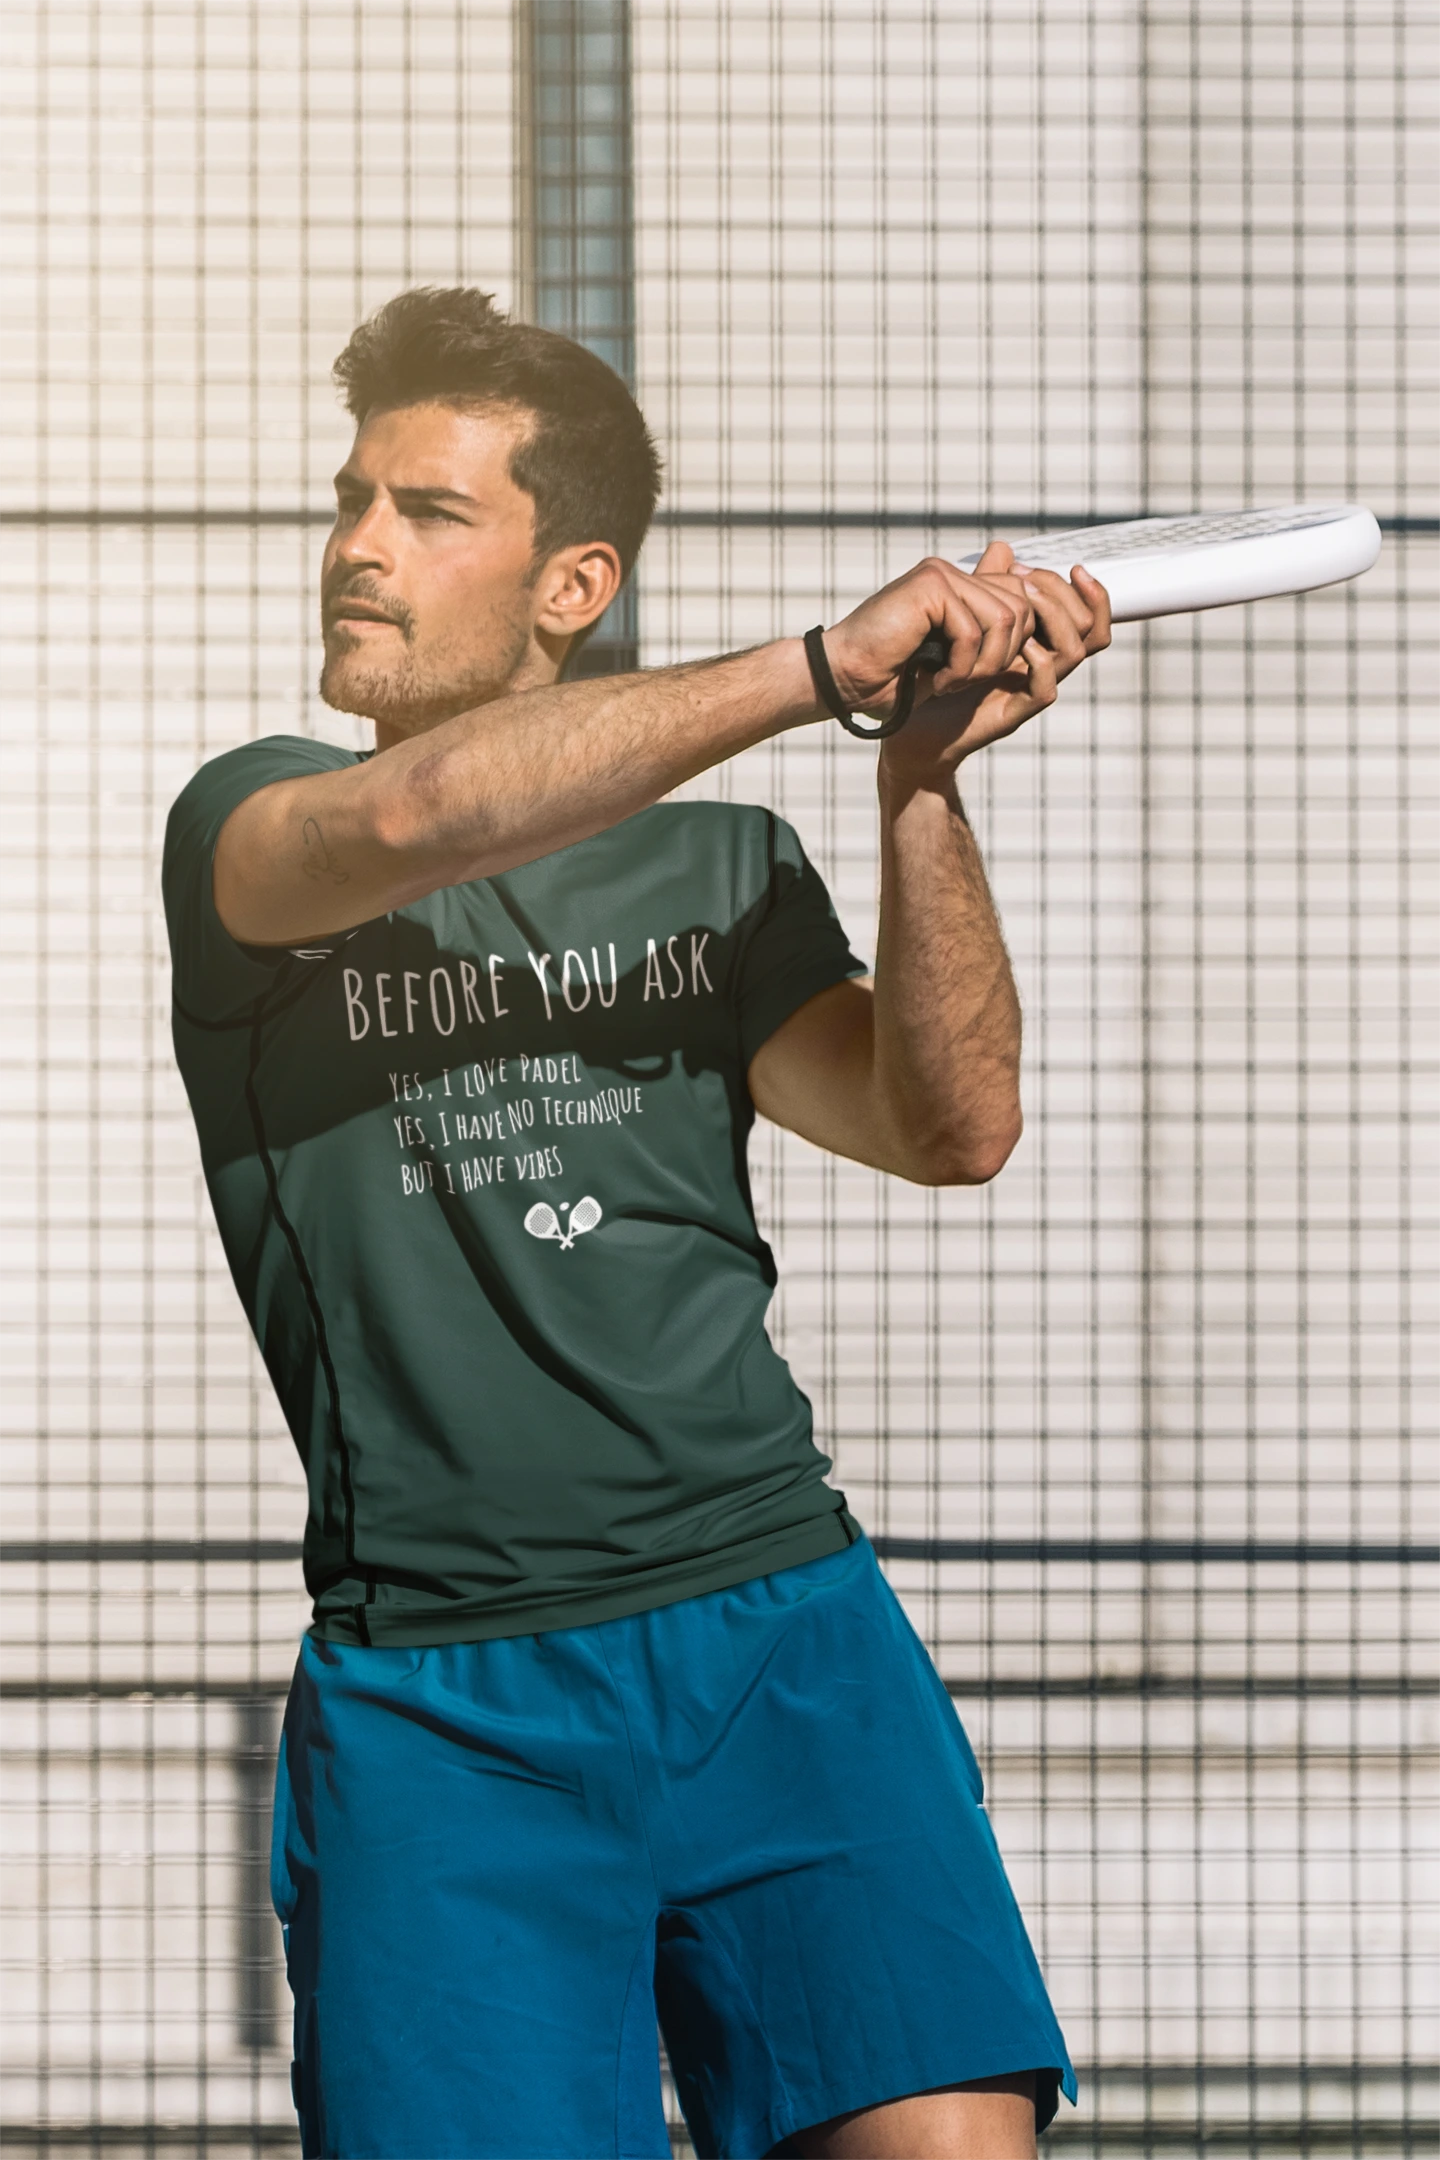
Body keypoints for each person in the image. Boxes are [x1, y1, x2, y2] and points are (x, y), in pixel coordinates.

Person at [163, 286, 1110, 2160]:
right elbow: (427, 806)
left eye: (430, 513)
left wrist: (915, 780)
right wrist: (817, 666)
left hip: (787, 1636)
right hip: (450, 1702)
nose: (359, 545)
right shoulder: (256, 827)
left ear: (573, 582)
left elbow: (951, 1126)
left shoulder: (725, 867)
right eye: (354, 499)